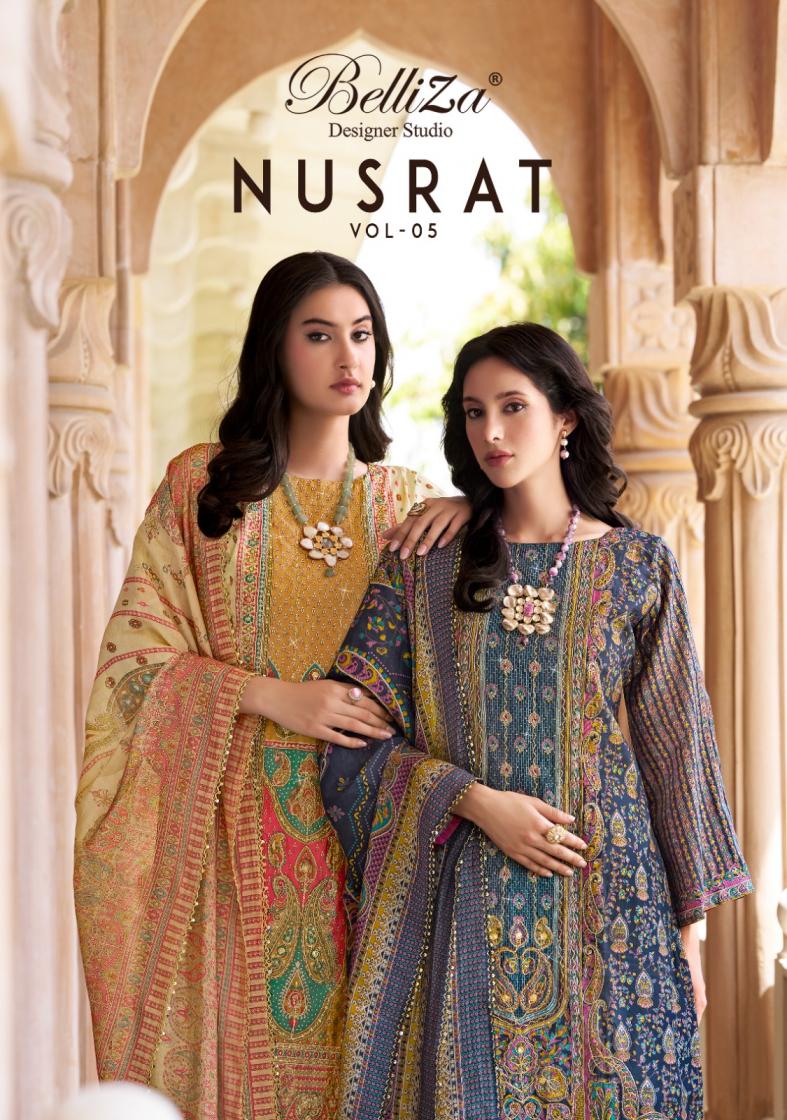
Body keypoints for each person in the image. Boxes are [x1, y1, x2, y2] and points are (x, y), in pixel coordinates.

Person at [320, 322, 754, 1120]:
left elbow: (677, 753)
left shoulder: (638, 565)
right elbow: (352, 738)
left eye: (512, 407)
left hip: (615, 907)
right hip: (464, 898)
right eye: (473, 411)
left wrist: (687, 939)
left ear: (565, 419)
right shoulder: (424, 562)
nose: (489, 431)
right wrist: (473, 801)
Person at [74, 251, 470, 1120]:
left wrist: (474, 508)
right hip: (228, 837)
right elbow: (132, 665)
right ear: (274, 350)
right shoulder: (203, 488)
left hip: (370, 839)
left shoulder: (407, 506)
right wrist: (267, 695)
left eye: (361, 335)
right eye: (319, 335)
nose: (347, 357)